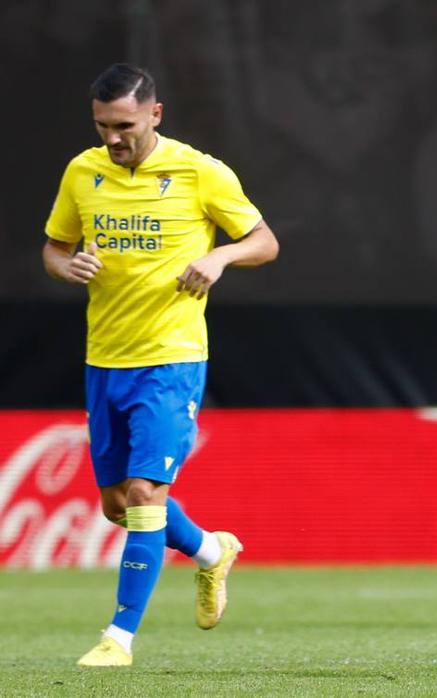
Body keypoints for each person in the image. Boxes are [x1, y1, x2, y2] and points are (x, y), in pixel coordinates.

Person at [42, 63, 279, 667]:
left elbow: (264, 241)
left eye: (123, 125)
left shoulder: (200, 171)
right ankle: (209, 551)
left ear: (156, 114)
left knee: (147, 492)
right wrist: (66, 268)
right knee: (118, 505)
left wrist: (222, 258)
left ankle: (117, 638)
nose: (112, 138)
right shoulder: (83, 171)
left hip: (171, 358)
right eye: (102, 126)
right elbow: (55, 247)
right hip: (105, 355)